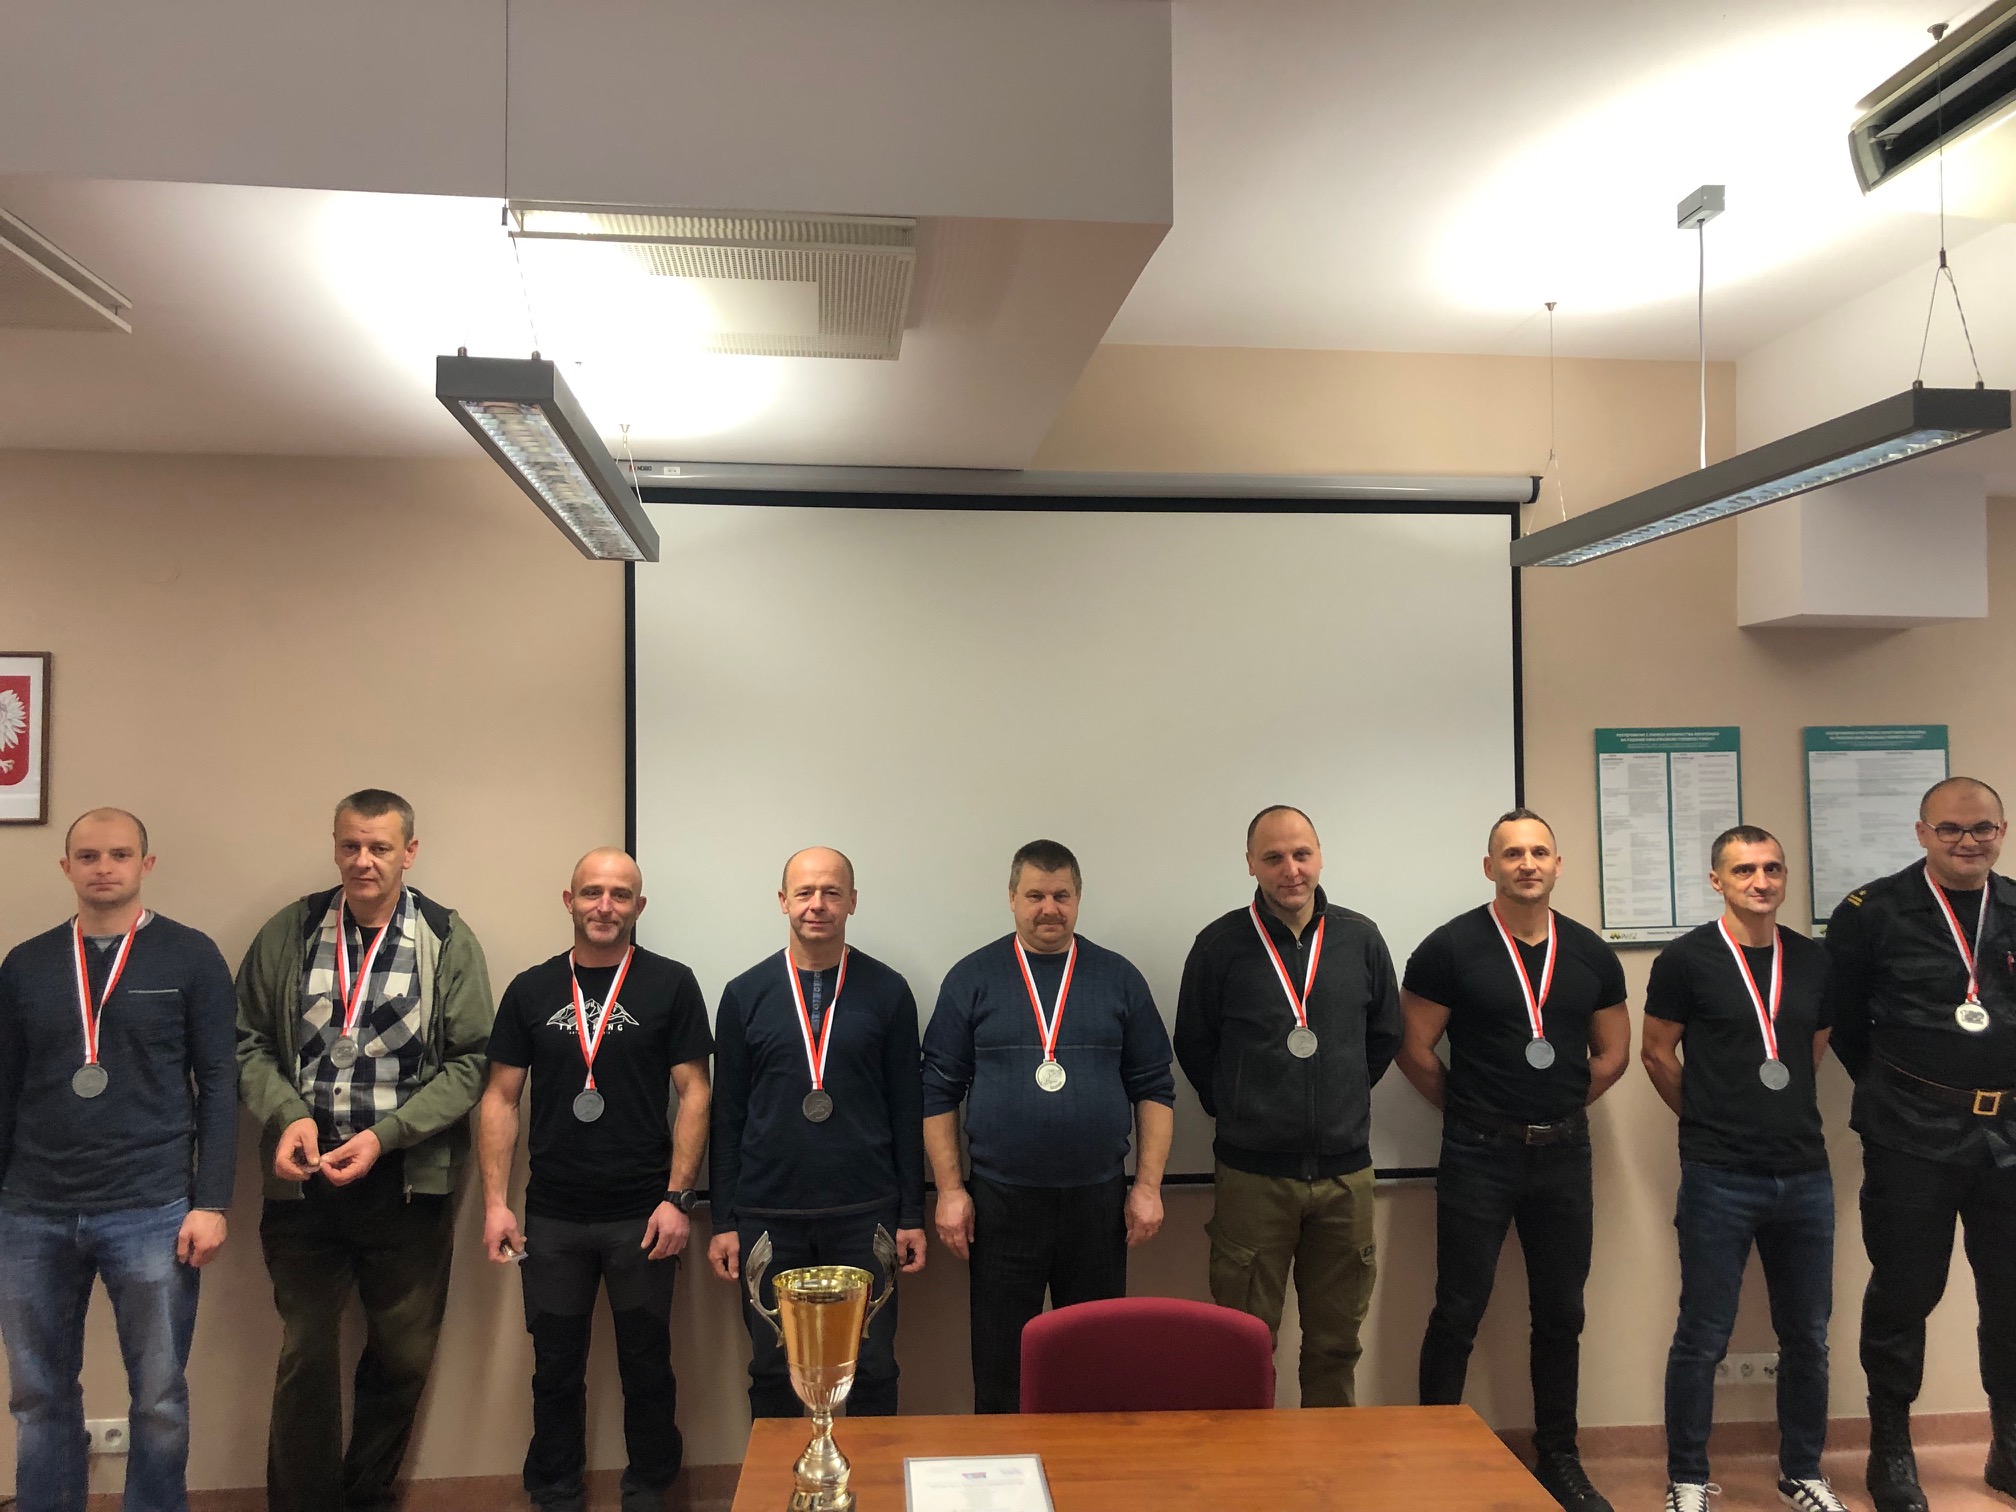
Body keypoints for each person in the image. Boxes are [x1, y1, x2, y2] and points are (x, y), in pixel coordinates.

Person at [235, 789, 494, 1512]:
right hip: (304, 1180)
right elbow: (246, 1041)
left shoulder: (445, 937)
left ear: (410, 852)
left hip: (406, 1182)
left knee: (403, 1358)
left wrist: (386, 1137)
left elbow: (472, 1061)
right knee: (307, 1352)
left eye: (380, 847)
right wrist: (287, 1115)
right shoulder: (290, 931)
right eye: (350, 845)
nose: (363, 861)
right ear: (335, 847)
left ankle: (366, 1496)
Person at [0, 809, 236, 1512]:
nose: (104, 867)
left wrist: (211, 1200)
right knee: (38, 1395)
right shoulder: (24, 965)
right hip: (32, 1210)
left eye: (120, 854)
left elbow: (219, 1082)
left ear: (145, 865)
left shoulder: (191, 956)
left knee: (158, 1397)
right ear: (66, 867)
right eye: (89, 855)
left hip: (152, 1207)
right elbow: (3, 1088)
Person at [1396, 808, 1630, 1512]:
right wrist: (1474, 1111)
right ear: (1489, 866)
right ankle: (1435, 1455)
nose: (1527, 863)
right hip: (1478, 1154)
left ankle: (1559, 1458)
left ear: (1557, 865)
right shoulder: (1449, 948)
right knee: (1458, 1309)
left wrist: (1553, 1109)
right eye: (1512, 853)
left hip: (1564, 1154)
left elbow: (1614, 1054)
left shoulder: (1590, 954)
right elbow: (1412, 1048)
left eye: (1539, 852)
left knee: (1562, 1313)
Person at [478, 848, 713, 1512]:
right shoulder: (530, 989)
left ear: (639, 906)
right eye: (591, 892)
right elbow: (499, 1098)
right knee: (554, 1370)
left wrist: (677, 1197)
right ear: (569, 900)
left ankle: (650, 1491)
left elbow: (696, 1093)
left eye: (620, 894)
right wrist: (495, 1204)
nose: (604, 906)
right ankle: (556, 1493)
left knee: (648, 1367)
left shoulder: (671, 984)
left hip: (643, 1215)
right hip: (552, 1218)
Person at [922, 838, 1176, 1412]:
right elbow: (937, 1092)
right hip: (1001, 1203)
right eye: (1035, 895)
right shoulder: (973, 977)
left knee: (1094, 1366)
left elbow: (1155, 1088)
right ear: (1012, 898)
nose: (1049, 909)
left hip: (1098, 1203)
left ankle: (1088, 1466)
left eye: (1061, 895)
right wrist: (951, 1191)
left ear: (1078, 899)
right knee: (1000, 1367)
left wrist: (1149, 1186)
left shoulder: (1118, 978)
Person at [1824, 775, 2016, 1512]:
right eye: (1950, 829)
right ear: (1922, 832)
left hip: (2008, 1137)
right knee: (1906, 1292)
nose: (1967, 841)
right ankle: (1892, 1449)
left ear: (2001, 832)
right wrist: (1899, 1091)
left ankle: (2009, 1443)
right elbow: (1844, 1024)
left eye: (1982, 828)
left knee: (2010, 1294)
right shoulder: (1872, 913)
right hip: (1910, 1134)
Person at [1173, 804, 1401, 1407]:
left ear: (1320, 857)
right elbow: (1194, 1043)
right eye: (1273, 857)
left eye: (1301, 854)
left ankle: (1327, 1463)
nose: (1291, 869)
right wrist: (1240, 1107)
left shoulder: (1360, 939)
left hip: (1345, 1178)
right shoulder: (1219, 945)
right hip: (1253, 1179)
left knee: (1336, 1346)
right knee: (1245, 1346)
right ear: (1250, 864)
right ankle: (1248, 1463)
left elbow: (1384, 1035)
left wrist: (1341, 1099)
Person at [1643, 825, 1844, 1512]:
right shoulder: (1685, 960)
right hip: (1718, 1175)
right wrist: (1707, 1115)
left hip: (1805, 1175)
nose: (1761, 881)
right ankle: (1687, 1478)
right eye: (1744, 870)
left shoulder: (1813, 960)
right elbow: (1655, 1052)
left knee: (1808, 1337)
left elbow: (1811, 1049)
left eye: (1772, 868)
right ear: (1717, 881)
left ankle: (1802, 1473)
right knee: (1702, 1335)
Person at [707, 847, 926, 1417]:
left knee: (873, 1365)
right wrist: (724, 1220)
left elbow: (908, 1109)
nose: (817, 904)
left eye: (831, 892)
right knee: (771, 1369)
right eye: (804, 892)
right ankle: (783, 1474)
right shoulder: (744, 994)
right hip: (768, 1216)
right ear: (783, 901)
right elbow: (727, 1116)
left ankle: (873, 1475)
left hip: (866, 1213)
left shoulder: (888, 991)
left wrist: (911, 1215)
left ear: (852, 900)